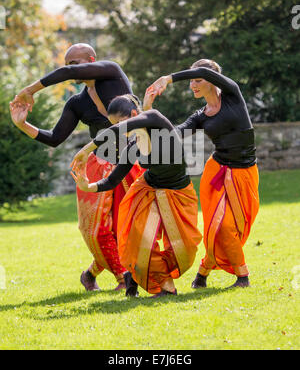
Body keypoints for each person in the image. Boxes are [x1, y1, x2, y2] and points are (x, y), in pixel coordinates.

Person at [9, 43, 144, 291]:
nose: (72, 70)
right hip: (99, 165)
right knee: (98, 230)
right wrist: (22, 125)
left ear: (92, 60)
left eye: (76, 64)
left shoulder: (112, 73)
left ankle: (90, 274)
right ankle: (122, 279)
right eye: (68, 65)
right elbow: (55, 138)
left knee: (129, 226)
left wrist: (31, 89)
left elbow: (66, 74)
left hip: (132, 161)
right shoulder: (76, 103)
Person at [70, 94, 202, 298]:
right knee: (140, 243)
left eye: (122, 123)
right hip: (147, 190)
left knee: (184, 251)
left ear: (134, 114)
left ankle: (134, 276)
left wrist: (87, 149)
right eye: (115, 124)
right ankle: (164, 287)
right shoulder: (132, 148)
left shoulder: (156, 120)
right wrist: (88, 187)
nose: (121, 131)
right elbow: (111, 181)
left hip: (178, 192)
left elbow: (116, 130)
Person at [146, 59, 259, 288]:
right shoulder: (201, 115)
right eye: (191, 81)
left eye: (197, 80)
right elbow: (174, 133)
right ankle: (242, 276)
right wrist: (148, 113)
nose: (192, 85)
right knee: (219, 226)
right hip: (216, 171)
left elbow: (199, 71)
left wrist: (168, 78)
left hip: (244, 172)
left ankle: (203, 273)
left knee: (231, 227)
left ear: (211, 79)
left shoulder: (232, 94)